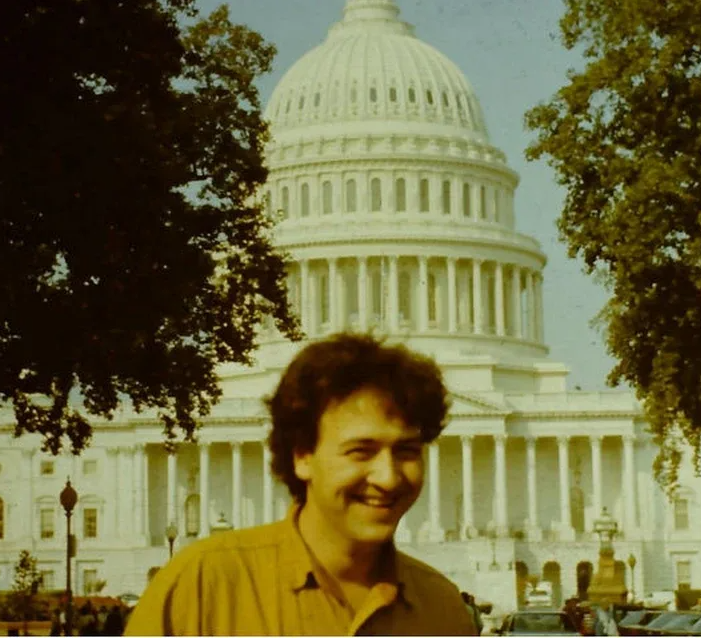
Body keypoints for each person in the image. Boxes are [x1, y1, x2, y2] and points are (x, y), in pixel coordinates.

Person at [125, 332, 478, 635]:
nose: (388, 477)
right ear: (303, 456)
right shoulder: (201, 586)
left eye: (407, 451)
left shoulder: (443, 609)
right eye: (361, 451)